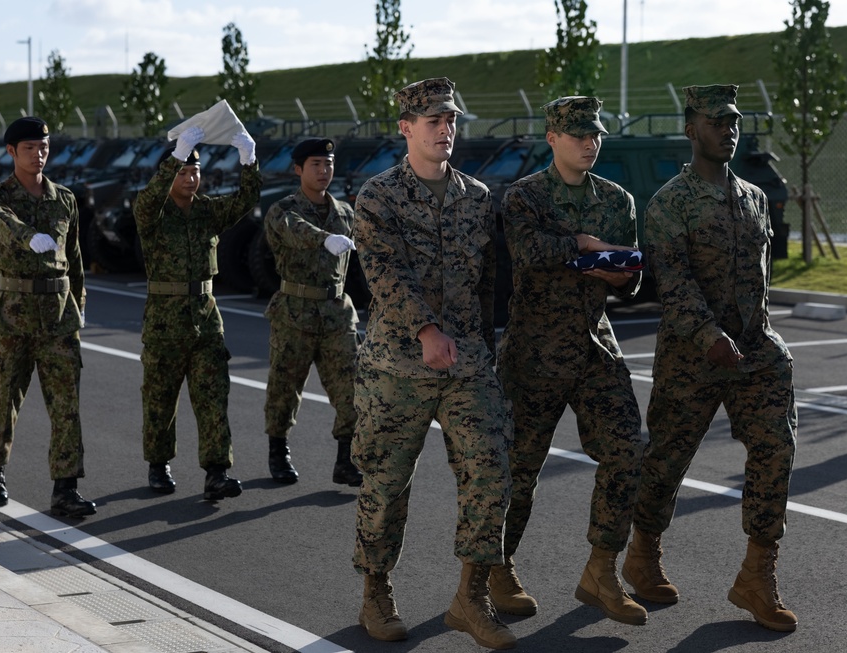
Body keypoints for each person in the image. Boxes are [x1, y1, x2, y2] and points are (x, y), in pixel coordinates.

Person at [623, 85, 797, 632]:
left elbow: (761, 282)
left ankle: (756, 575)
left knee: (776, 447)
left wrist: (759, 341)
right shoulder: (670, 202)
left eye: (734, 120)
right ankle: (643, 551)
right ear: (692, 128)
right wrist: (708, 335)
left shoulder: (754, 198)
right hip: (692, 356)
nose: (729, 129)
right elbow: (672, 284)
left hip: (754, 351)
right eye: (717, 121)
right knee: (667, 461)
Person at [351, 77, 515, 650]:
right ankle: (376, 590)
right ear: (405, 128)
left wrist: (483, 345)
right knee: (387, 483)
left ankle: (470, 598)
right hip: (398, 365)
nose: (445, 129)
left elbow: (488, 277)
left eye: (451, 120)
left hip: (466, 362)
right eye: (433, 121)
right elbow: (383, 273)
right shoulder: (377, 197)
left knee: (491, 469)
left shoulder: (476, 196)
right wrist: (424, 328)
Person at [495, 96, 648, 626]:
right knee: (519, 469)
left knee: (629, 449)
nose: (590, 143)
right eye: (579, 134)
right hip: (534, 351)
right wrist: (582, 247)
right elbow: (525, 252)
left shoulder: (618, 199)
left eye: (596, 134)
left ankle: (601, 570)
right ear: (553, 138)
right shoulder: (525, 195)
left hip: (594, 346)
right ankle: (498, 566)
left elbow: (632, 277)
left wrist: (615, 271)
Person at [133, 125, 261, 500]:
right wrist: (175, 157)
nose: (190, 178)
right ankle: (159, 465)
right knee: (160, 400)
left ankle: (217, 472)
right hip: (163, 323)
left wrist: (248, 159)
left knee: (213, 398)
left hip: (205, 321)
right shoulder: (152, 215)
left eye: (195, 171)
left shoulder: (207, 211)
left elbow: (246, 199)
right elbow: (146, 200)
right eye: (183, 172)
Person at [0, 116, 95, 518]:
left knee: (66, 403)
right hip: (14, 315)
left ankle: (66, 488)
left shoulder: (64, 199)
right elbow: (1, 223)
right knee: (1, 398)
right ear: (11, 152)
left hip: (59, 317)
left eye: (44, 147)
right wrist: (29, 236)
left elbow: (75, 258)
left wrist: (80, 303)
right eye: (30, 148)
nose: (39, 154)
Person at [262, 137, 362, 487]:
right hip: (295, 312)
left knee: (352, 388)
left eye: (328, 164)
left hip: (336, 313)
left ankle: (346, 460)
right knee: (284, 387)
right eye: (316, 164)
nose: (324, 171)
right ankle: (279, 452)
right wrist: (323, 238)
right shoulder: (283, 210)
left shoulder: (346, 213)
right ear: (298, 170)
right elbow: (292, 231)